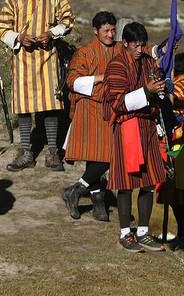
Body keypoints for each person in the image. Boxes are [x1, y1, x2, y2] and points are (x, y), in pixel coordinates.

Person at [0, 0, 75, 171]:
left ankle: (52, 152)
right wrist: (19, 37)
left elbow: (68, 20)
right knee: (23, 108)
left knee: (50, 105)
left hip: (47, 58)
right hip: (22, 59)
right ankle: (27, 152)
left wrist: (51, 33)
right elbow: (2, 29)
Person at [102, 21, 168, 251]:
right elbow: (118, 102)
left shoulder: (149, 62)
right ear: (125, 43)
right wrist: (148, 91)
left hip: (148, 126)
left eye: (143, 45)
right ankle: (124, 232)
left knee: (148, 182)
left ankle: (143, 231)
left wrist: (161, 86)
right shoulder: (116, 66)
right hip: (128, 126)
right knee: (127, 182)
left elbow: (157, 86)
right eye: (135, 45)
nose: (140, 50)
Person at [62, 11, 120, 222]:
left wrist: (162, 50)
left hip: (111, 108)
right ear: (96, 31)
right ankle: (93, 199)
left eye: (113, 30)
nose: (110, 34)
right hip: (89, 108)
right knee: (104, 155)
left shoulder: (119, 49)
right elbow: (73, 81)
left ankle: (84, 196)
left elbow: (138, 52)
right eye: (106, 30)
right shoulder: (85, 52)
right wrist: (100, 78)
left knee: (103, 155)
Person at [156, 52, 184, 253]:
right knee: (178, 195)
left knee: (177, 194)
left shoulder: (182, 87)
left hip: (178, 146)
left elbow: (175, 105)